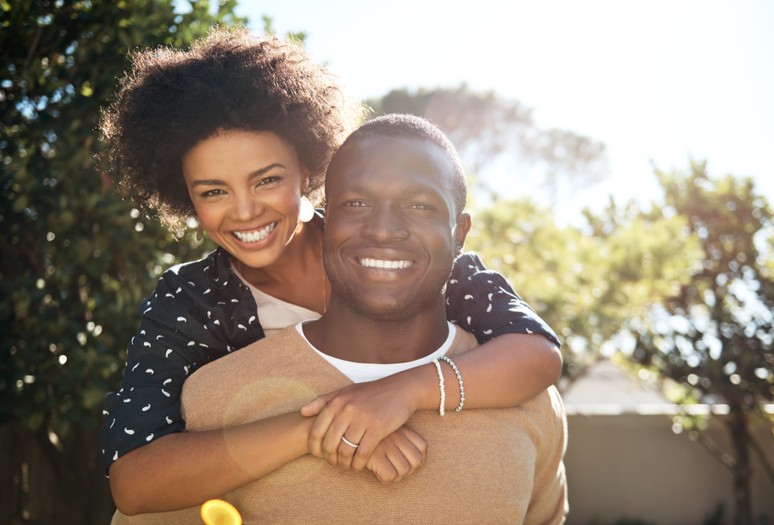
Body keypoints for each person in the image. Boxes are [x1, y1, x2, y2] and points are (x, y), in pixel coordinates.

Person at [98, 27, 563, 515]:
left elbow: (536, 352)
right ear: (186, 197)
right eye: (214, 191)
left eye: (268, 180)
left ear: (309, 170)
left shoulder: (391, 256)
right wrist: (323, 428)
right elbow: (135, 479)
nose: (245, 211)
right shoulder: (191, 300)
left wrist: (400, 392)